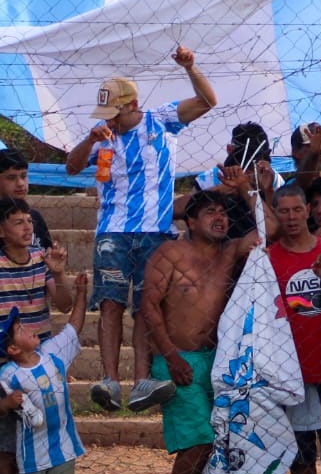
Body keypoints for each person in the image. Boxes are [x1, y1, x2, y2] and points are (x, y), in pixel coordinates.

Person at [63, 46, 216, 413]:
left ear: (132, 106)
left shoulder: (161, 121)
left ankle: (142, 380)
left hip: (155, 231)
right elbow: (70, 167)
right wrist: (90, 139)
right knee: (111, 302)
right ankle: (109, 379)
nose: (110, 120)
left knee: (148, 306)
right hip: (112, 232)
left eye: (114, 112)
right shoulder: (101, 136)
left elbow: (207, 101)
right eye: (105, 115)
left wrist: (190, 67)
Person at [140, 190, 257, 474]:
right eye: (211, 212)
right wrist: (170, 357)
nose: (221, 218)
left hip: (215, 359)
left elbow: (271, 227)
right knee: (198, 439)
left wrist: (248, 188)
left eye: (224, 213)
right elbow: (149, 307)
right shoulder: (169, 253)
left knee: (214, 441)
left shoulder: (229, 252)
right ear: (190, 221)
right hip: (177, 358)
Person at [0, 198, 71, 474]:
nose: (27, 226)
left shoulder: (41, 259)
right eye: (18, 222)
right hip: (6, 362)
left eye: (29, 220)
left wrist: (57, 273)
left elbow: (65, 304)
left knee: (42, 431)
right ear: (1, 231)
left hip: (38, 360)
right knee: (5, 442)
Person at [265, 185, 321, 474]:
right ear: (275, 214)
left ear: (308, 210)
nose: (291, 217)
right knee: (301, 448)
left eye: (297, 209)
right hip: (290, 367)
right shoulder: (268, 259)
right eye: (284, 211)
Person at [0, 272, 89, 474]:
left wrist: (82, 295)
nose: (29, 328)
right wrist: (7, 404)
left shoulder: (52, 353)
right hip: (31, 454)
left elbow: (73, 328)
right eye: (21, 330)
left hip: (63, 445)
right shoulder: (8, 374)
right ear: (13, 349)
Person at [0, 151, 54, 250]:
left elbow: (48, 252)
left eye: (24, 176)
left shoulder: (34, 216)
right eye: (11, 178)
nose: (20, 183)